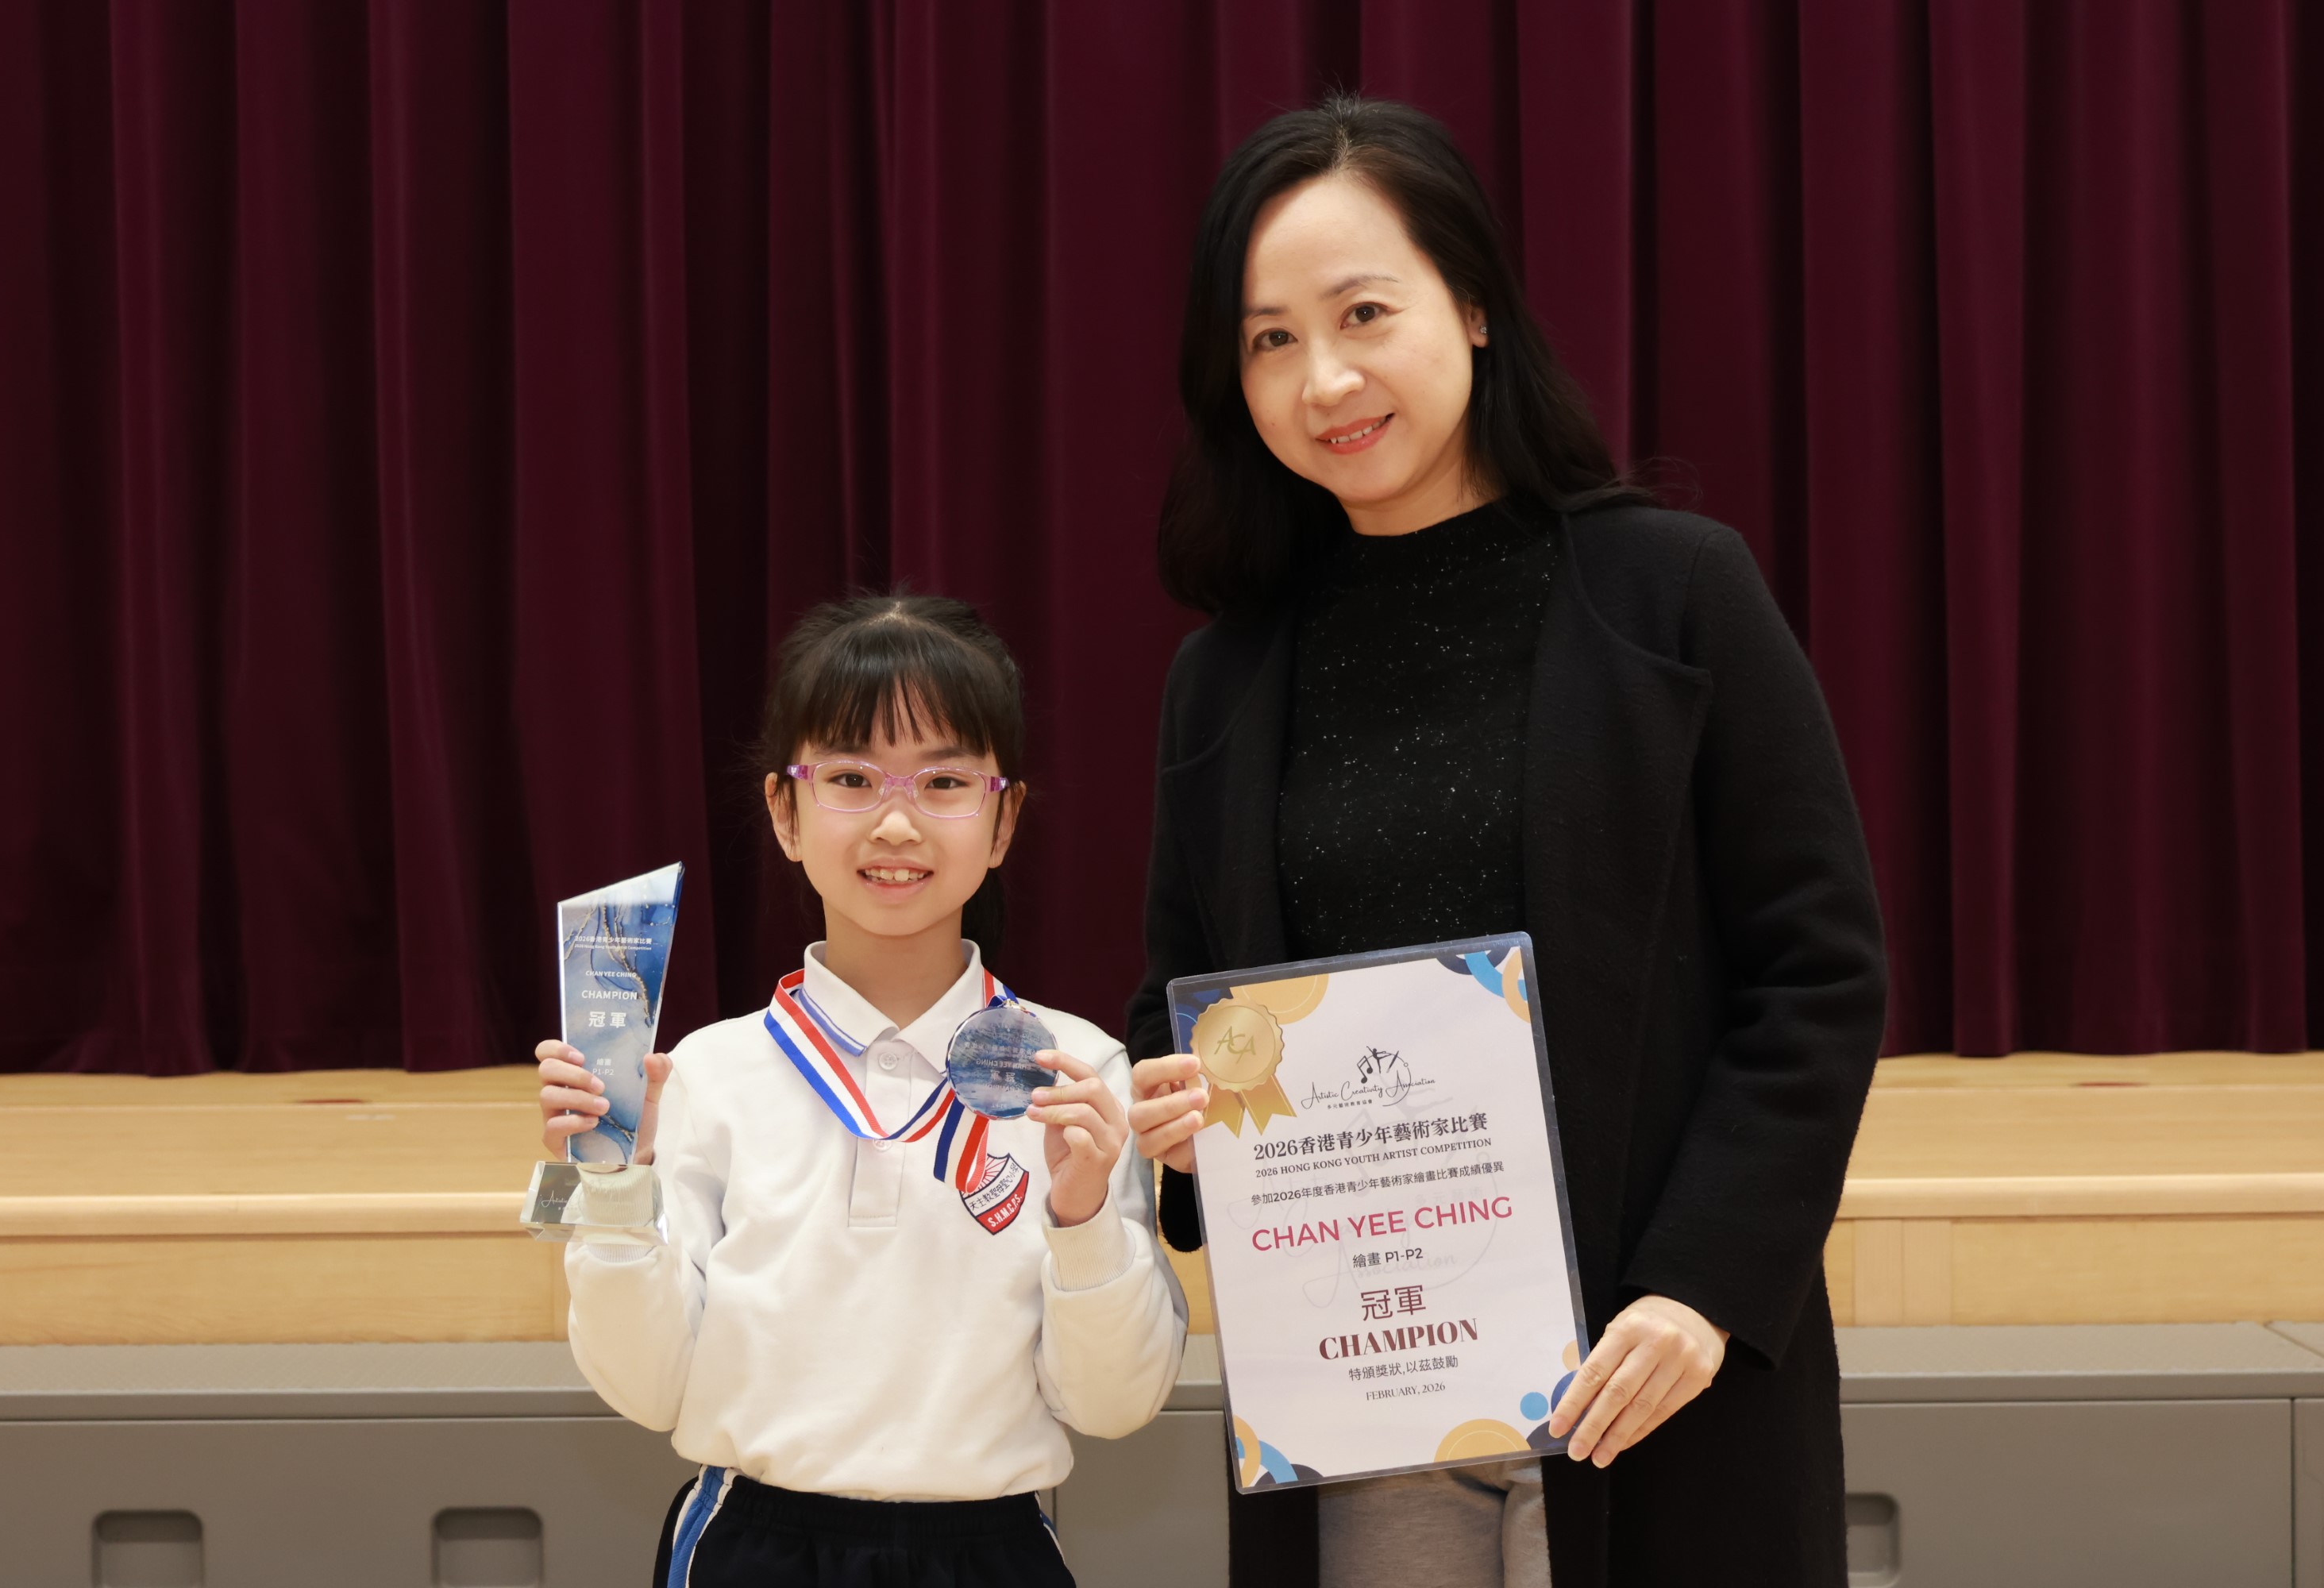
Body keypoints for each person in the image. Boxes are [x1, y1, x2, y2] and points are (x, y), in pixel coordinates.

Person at [1123, 96, 1887, 1588]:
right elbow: (1180, 997)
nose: (1323, 378)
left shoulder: (1675, 593)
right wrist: (1177, 1105)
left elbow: (1819, 973)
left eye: (1363, 313)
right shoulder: (1225, 679)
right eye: (1270, 339)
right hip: (1361, 1399)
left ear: (1472, 305)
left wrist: (1703, 1288)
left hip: (1643, 1377)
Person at [538, 594, 1187, 1588]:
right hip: (752, 1548)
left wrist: (1085, 1213)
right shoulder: (703, 1074)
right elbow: (649, 1387)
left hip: (994, 1551)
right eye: (849, 777)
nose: (895, 821)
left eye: (945, 781)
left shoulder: (1077, 1074)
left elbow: (1113, 1404)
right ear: (784, 812)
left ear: (1004, 818)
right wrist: (616, 1186)